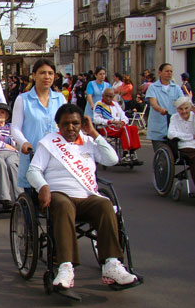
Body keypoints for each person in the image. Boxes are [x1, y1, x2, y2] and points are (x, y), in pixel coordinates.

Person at [26, 103, 138, 290]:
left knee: (105, 205)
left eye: (76, 124)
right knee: (63, 205)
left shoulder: (88, 142)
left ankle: (111, 264)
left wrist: (94, 133)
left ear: (81, 124)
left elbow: (112, 160)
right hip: (59, 194)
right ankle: (66, 267)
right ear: (58, 125)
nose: (71, 128)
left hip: (86, 196)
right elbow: (33, 170)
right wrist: (43, 186)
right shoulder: (48, 143)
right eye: (66, 124)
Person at [12, 59, 66, 190]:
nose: (47, 77)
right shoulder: (23, 99)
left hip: (57, 155)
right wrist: (23, 143)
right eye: (42, 73)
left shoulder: (60, 99)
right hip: (33, 155)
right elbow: (15, 127)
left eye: (50, 73)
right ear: (34, 75)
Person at [94, 88, 142, 164]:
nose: (108, 98)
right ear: (103, 96)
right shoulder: (99, 104)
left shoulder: (116, 105)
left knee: (133, 128)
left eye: (111, 96)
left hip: (119, 126)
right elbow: (96, 119)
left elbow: (124, 116)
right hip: (106, 127)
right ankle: (125, 154)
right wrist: (111, 122)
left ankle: (132, 152)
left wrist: (122, 122)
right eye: (106, 96)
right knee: (125, 129)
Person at [146, 63, 185, 151]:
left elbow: (182, 102)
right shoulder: (153, 87)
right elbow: (153, 103)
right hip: (158, 125)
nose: (169, 73)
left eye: (171, 71)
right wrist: (160, 109)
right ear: (160, 73)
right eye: (167, 71)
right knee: (161, 153)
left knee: (173, 152)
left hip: (173, 124)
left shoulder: (176, 88)